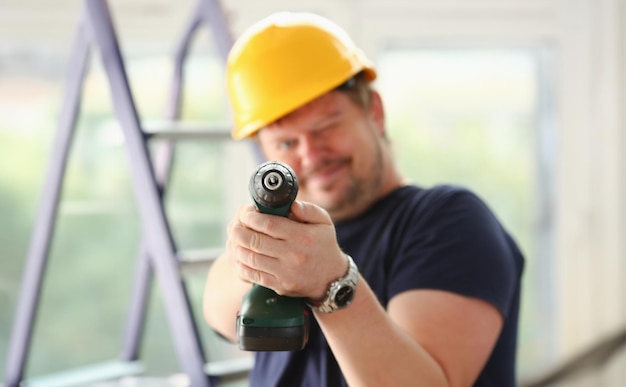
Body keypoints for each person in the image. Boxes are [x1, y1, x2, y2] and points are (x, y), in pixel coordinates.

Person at [203, 11, 524, 387]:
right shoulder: (293, 234)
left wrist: (331, 285)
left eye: (326, 127)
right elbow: (219, 309)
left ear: (375, 112)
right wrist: (260, 253)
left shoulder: (448, 220)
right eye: (287, 143)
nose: (310, 155)